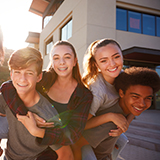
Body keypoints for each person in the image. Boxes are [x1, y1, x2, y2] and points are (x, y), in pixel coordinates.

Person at [0, 41, 93, 159]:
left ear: (75, 61)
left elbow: (73, 134)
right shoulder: (45, 79)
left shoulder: (83, 95)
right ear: (52, 62)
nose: (62, 62)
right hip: (25, 138)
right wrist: (25, 115)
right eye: (56, 58)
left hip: (59, 142)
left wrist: (37, 131)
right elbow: (8, 87)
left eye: (67, 57)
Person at [71, 39, 134, 160]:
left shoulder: (126, 77)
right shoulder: (97, 91)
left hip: (106, 135)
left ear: (122, 55)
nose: (112, 64)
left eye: (116, 57)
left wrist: (125, 125)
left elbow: (135, 106)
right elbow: (81, 126)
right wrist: (110, 116)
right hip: (84, 137)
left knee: (121, 141)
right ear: (96, 64)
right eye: (104, 60)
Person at [92, 66, 160, 160]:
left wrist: (126, 123)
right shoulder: (100, 92)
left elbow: (133, 111)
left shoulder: (126, 105)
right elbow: (79, 144)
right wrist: (110, 117)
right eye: (136, 97)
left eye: (148, 98)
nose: (142, 104)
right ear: (121, 93)